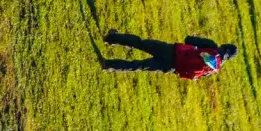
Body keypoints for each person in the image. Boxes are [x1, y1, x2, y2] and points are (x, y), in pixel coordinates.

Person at [102, 31, 238, 78]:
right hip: (172, 67)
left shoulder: (212, 47)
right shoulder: (214, 69)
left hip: (172, 51)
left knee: (140, 43)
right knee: (138, 66)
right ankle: (108, 65)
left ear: (225, 46)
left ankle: (111, 38)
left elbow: (188, 40)